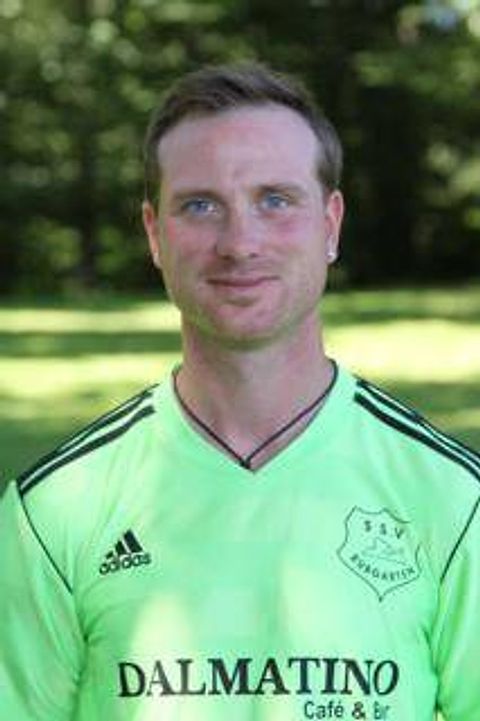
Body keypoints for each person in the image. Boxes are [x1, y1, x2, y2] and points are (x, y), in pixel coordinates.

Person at [0, 62, 479, 721]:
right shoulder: (54, 511)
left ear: (331, 224)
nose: (240, 243)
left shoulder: (453, 499)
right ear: (154, 233)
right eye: (200, 206)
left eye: (275, 200)